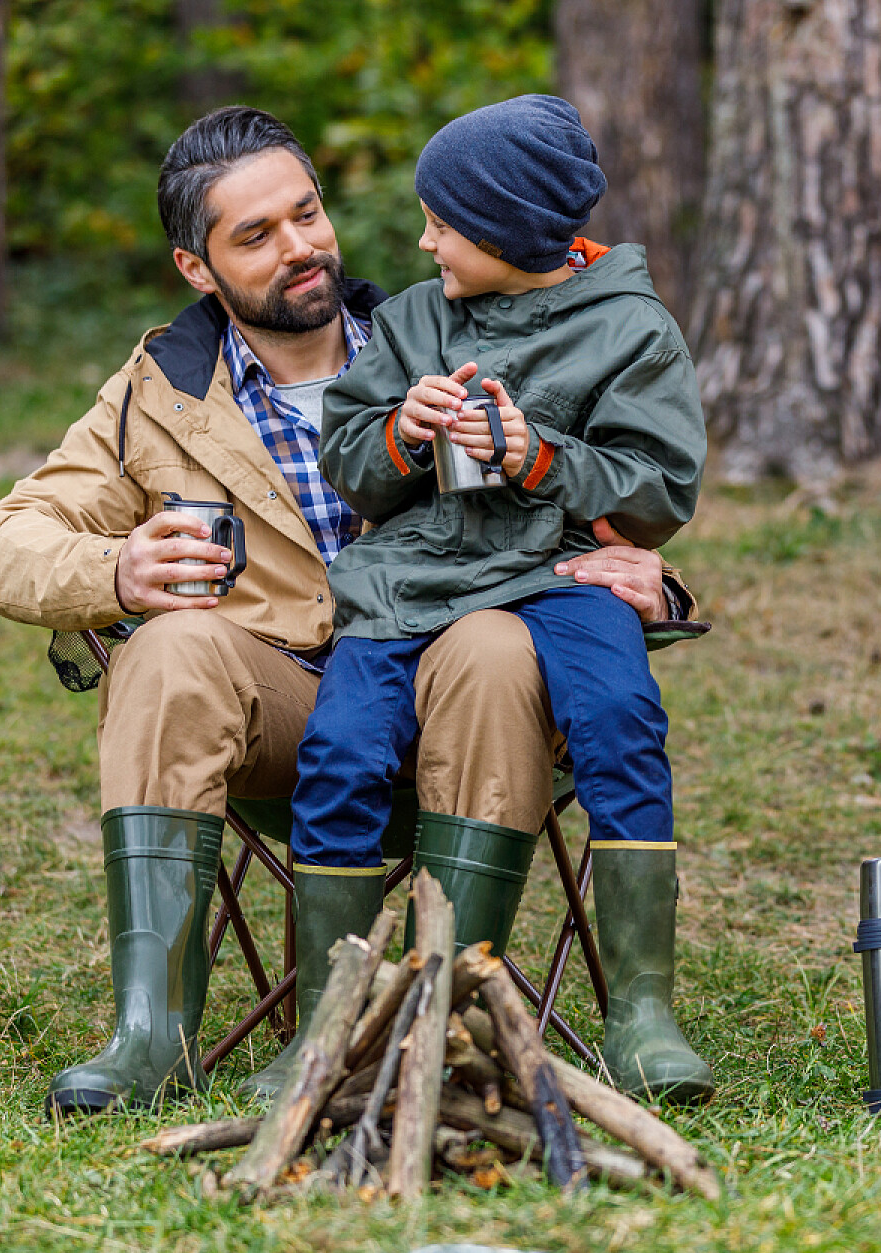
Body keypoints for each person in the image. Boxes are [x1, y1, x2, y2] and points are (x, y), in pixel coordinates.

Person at [0, 106, 691, 1114]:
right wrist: (116, 566)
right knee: (172, 648)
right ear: (196, 267)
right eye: (255, 235)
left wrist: (645, 565)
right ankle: (152, 1036)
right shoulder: (159, 394)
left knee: (488, 640)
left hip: (470, 708)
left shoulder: (448, 324)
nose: (301, 246)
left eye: (306, 213)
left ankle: (436, 1018)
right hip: (286, 720)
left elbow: (622, 462)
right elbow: (6, 542)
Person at [302, 95, 713, 1103]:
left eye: (444, 222)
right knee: (340, 747)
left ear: (513, 231)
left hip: (562, 575)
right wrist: (402, 426)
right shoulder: (410, 321)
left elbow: (662, 489)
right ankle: (328, 1023)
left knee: (622, 719)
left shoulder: (630, 330)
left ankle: (641, 1012)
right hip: (413, 582)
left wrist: (543, 456)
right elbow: (349, 461)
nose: (423, 238)